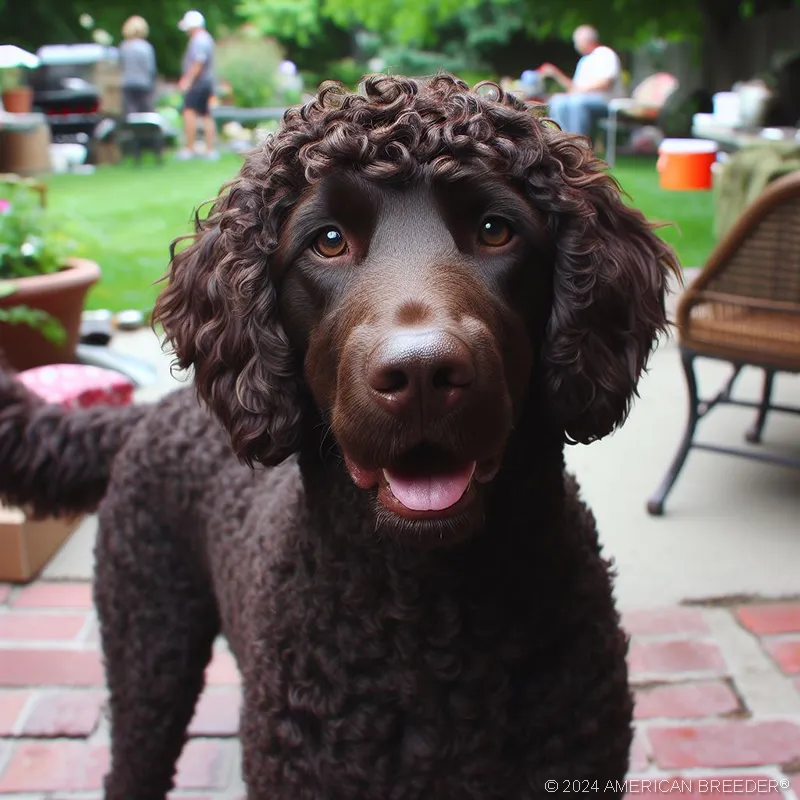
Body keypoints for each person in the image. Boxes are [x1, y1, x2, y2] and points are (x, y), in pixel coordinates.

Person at [539, 25, 623, 138]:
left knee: (576, 102)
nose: (575, 45)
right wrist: (556, 74)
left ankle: (578, 143)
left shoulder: (605, 54)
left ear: (587, 41)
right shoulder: (584, 61)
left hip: (606, 100)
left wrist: (582, 90)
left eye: (577, 41)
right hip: (582, 100)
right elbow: (574, 89)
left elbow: (606, 83)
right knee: (557, 101)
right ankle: (562, 140)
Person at [176, 9, 218, 160]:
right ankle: (210, 149)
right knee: (206, 114)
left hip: (198, 84)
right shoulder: (206, 38)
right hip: (206, 83)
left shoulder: (199, 40)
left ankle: (190, 148)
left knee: (189, 112)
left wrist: (187, 80)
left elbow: (198, 62)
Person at [119, 16, 157, 115]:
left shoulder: (124, 46)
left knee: (130, 113)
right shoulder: (146, 47)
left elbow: (121, 66)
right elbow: (150, 68)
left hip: (127, 83)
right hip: (144, 84)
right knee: (144, 113)